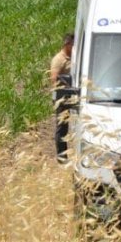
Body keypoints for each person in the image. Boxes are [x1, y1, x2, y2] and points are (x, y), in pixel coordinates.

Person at [50, 33, 74, 162]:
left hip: (73, 95)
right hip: (62, 97)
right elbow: (54, 79)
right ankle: (62, 157)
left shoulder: (73, 58)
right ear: (67, 44)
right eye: (73, 44)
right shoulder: (58, 60)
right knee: (62, 127)